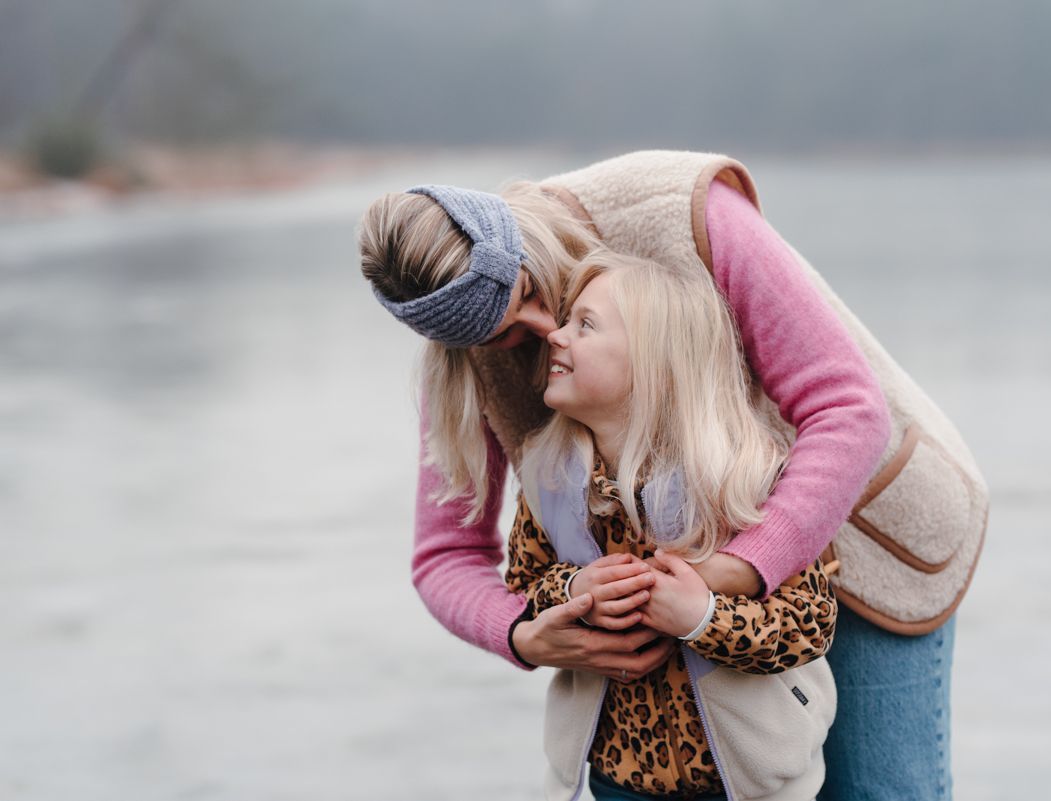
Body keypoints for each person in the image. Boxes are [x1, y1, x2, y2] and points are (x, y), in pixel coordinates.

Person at [358, 151, 970, 800]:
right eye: (506, 337)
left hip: (874, 527)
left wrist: (732, 572)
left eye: (534, 295)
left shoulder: (674, 210)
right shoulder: (470, 354)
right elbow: (446, 553)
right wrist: (529, 635)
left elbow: (848, 411)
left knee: (879, 789)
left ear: (522, 240)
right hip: (683, 683)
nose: (542, 335)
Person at [506, 248, 838, 800]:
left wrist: (701, 616)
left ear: (657, 362)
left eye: (584, 325)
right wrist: (573, 591)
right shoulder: (549, 481)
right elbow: (522, 591)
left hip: (749, 781)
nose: (556, 337)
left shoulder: (740, 478)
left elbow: (810, 623)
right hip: (618, 780)